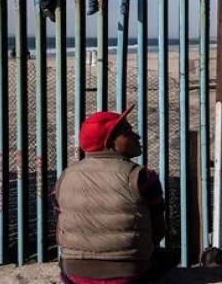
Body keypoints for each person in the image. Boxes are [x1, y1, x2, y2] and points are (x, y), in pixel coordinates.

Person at [55, 106, 176, 284]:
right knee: (169, 258)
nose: (137, 136)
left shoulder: (65, 177)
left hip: (75, 274)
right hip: (128, 274)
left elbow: (60, 230)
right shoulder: (142, 177)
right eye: (127, 132)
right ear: (110, 142)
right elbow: (158, 231)